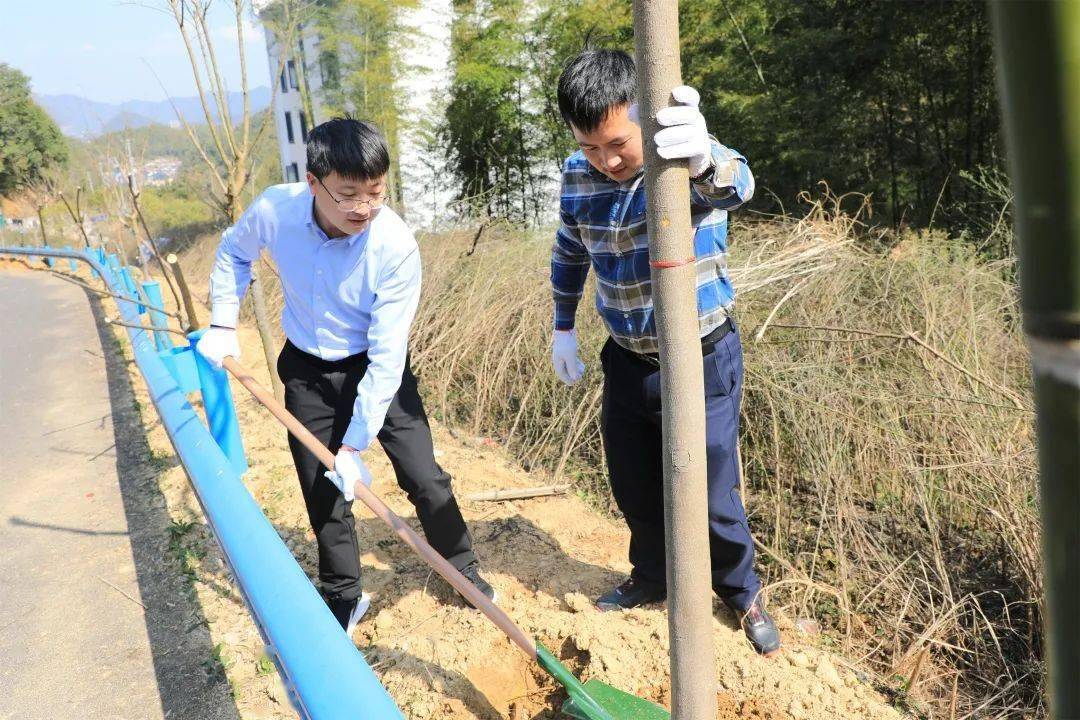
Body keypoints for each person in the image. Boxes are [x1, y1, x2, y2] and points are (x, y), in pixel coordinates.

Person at [195, 117, 495, 636]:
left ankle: (462, 569)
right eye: (348, 194)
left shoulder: (394, 245)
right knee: (322, 487)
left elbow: (386, 355)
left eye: (375, 192)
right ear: (313, 183)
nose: (363, 208)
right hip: (308, 368)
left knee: (422, 474)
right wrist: (224, 321)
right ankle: (342, 595)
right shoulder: (275, 209)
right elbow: (233, 251)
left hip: (376, 369)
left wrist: (355, 447)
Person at [549, 49, 780, 656]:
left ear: (642, 119)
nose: (608, 160)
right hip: (626, 357)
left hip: (702, 358)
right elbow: (569, 252)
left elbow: (740, 184)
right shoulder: (578, 174)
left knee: (711, 491)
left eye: (618, 143)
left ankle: (741, 592)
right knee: (633, 483)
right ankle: (652, 577)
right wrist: (562, 326)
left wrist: (704, 159)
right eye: (591, 146)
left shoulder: (679, 154)